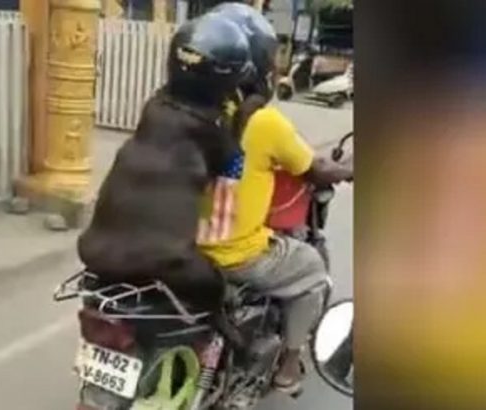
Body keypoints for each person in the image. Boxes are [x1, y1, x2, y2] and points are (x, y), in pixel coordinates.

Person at [197, 3, 354, 392]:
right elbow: (315, 169)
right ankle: (289, 364)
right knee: (313, 272)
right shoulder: (265, 122)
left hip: (178, 241)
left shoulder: (189, 110)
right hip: (233, 252)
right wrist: (350, 166)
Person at [78, 13, 254, 312]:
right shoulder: (213, 132)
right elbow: (231, 168)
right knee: (219, 289)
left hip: (95, 252)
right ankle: (230, 338)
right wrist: (245, 113)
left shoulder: (154, 108)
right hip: (164, 262)